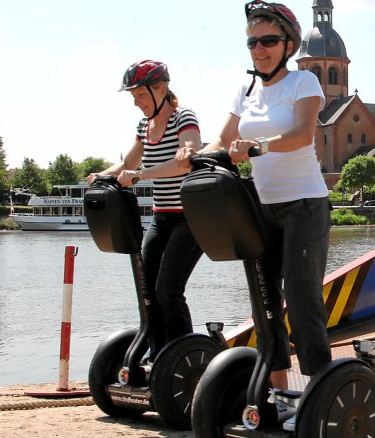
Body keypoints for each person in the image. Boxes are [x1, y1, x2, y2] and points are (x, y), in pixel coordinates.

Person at [177, 2, 330, 428]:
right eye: (252, 42)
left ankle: (319, 390)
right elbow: (222, 141)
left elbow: (302, 134)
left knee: (301, 300)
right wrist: (195, 153)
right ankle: (280, 392)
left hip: (304, 204)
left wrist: (257, 148)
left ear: (287, 44)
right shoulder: (245, 91)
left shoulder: (304, 81)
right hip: (260, 207)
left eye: (267, 40)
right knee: (265, 303)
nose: (258, 49)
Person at [87, 59, 204, 355]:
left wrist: (141, 175)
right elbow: (127, 163)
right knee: (147, 292)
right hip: (160, 219)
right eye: (134, 96)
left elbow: (188, 157)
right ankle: (158, 355)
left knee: (168, 291)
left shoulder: (183, 118)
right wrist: (103, 175)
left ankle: (182, 357)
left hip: (190, 220)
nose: (137, 103)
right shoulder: (144, 125)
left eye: (141, 95)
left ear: (161, 89)